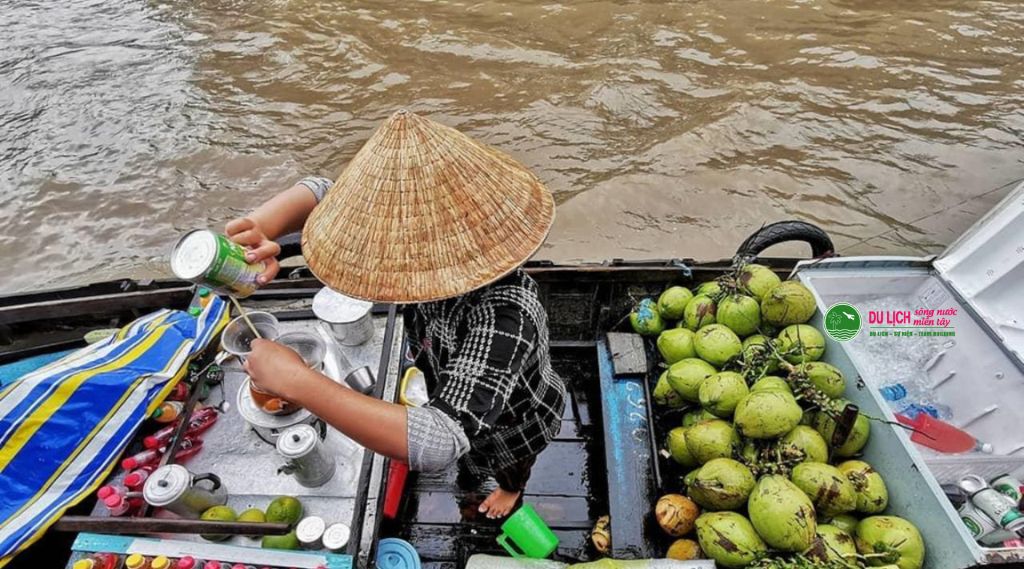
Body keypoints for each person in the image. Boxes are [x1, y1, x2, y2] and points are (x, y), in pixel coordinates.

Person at [233, 110, 565, 519]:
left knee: (508, 463)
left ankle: (512, 491)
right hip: (449, 376)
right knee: (469, 464)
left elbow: (441, 436)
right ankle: (476, 477)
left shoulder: (507, 313)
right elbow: (321, 194)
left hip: (516, 419)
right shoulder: (419, 249)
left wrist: (298, 382)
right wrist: (264, 228)